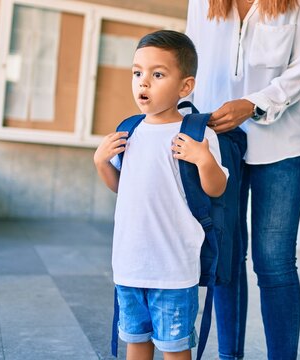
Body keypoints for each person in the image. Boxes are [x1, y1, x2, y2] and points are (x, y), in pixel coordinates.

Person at [185, 0, 300, 359]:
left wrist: (252, 103)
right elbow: (191, 62)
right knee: (227, 259)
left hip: (283, 146)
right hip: (218, 146)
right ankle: (228, 356)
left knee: (274, 261)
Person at [93, 30, 228, 360]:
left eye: (157, 74)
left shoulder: (197, 133)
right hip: (128, 264)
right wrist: (100, 161)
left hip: (172, 267)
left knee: (173, 348)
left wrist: (204, 159)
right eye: (137, 73)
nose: (143, 83)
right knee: (135, 341)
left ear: (185, 86)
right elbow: (121, 187)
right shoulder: (130, 130)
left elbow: (217, 188)